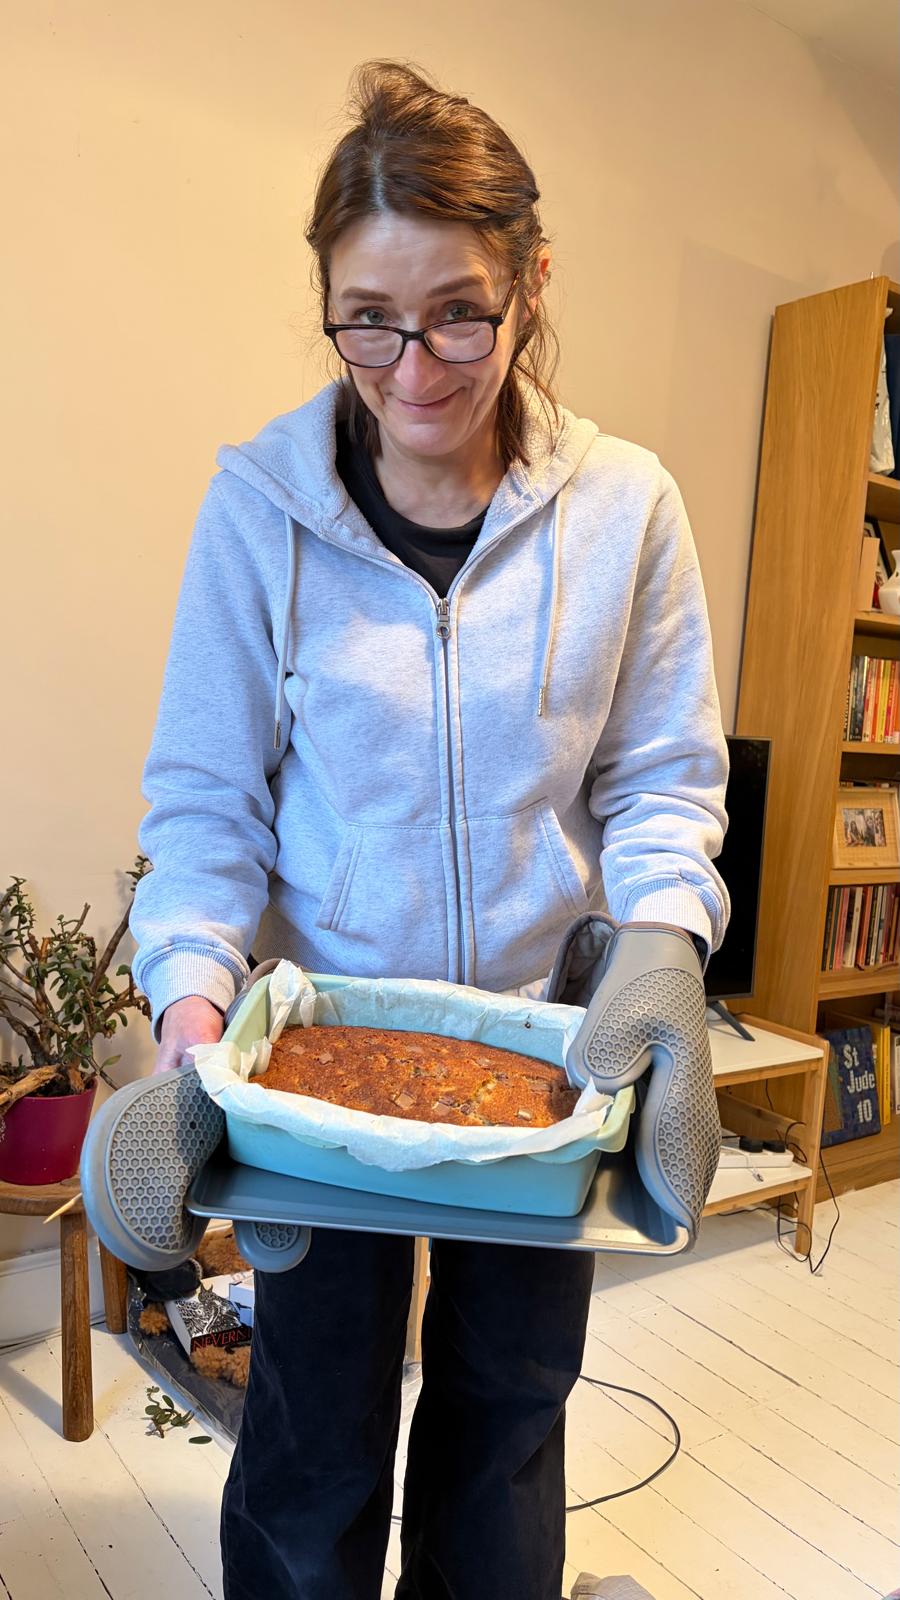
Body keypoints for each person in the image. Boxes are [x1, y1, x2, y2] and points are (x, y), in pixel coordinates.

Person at [129, 59, 730, 1600]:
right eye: (369, 319)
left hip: (542, 1067)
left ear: (532, 282)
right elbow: (206, 805)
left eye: (458, 312)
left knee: (508, 1418)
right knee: (316, 1436)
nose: (412, 368)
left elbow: (665, 778)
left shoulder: (629, 511)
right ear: (326, 303)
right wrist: (194, 1019)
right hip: (313, 1071)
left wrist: (662, 956)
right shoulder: (256, 508)